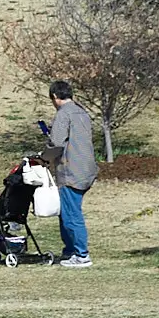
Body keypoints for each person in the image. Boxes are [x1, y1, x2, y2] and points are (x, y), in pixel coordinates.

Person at [47, 79, 99, 268]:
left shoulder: (63, 114)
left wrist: (45, 156)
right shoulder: (82, 112)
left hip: (71, 171)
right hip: (87, 169)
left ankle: (82, 255)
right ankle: (69, 250)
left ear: (55, 96)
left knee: (71, 214)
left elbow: (56, 143)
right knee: (67, 211)